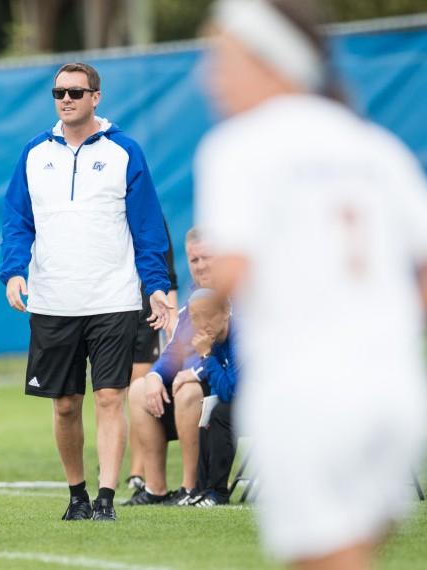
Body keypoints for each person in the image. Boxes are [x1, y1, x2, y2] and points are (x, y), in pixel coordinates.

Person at [196, 1, 427, 568]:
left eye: (223, 59)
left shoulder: (239, 146)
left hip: (306, 393)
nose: (210, 77)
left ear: (269, 61)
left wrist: (205, 316)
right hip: (393, 391)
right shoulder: (375, 145)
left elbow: (231, 271)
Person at [0, 62, 172, 522]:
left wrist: (156, 286)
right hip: (53, 299)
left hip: (113, 297)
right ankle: (76, 495)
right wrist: (14, 272)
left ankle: (106, 499)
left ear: (96, 96)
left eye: (76, 91)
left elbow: (148, 227)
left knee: (111, 397)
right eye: (59, 92)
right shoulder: (34, 153)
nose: (67, 99)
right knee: (64, 405)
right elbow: (17, 221)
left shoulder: (124, 151)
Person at [125, 229, 212, 506]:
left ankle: (189, 488)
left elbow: (235, 357)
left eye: (207, 257)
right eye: (194, 259)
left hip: (225, 391)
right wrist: (153, 376)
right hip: (190, 388)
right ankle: (155, 488)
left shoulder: (238, 299)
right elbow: (175, 349)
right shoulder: (193, 301)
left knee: (187, 390)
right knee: (139, 389)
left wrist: (194, 372)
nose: (200, 266)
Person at [126, 221, 179, 493]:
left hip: (146, 314)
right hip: (110, 309)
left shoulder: (150, 214)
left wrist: (172, 317)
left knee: (139, 383)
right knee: (109, 389)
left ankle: (138, 470)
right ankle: (114, 462)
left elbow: (168, 271)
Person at [179, 289, 239, 508]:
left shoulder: (241, 336)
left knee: (220, 413)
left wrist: (205, 355)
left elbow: (231, 393)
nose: (202, 323)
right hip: (244, 400)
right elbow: (219, 389)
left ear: (227, 311)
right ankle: (201, 489)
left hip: (271, 404)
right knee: (207, 411)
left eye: (209, 314)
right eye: (195, 317)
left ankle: (218, 493)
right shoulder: (213, 339)